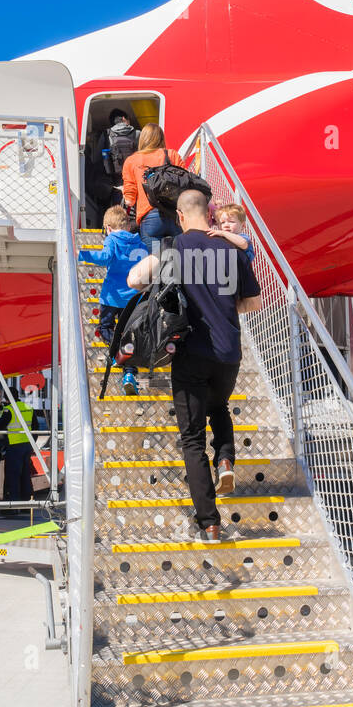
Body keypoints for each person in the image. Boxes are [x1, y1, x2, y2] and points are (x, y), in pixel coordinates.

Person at [127, 188, 262, 542]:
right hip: (229, 353)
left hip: (190, 355)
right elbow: (253, 302)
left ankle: (210, 522)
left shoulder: (175, 247)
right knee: (219, 407)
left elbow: (134, 280)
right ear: (210, 214)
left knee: (191, 439)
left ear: (183, 217)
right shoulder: (233, 250)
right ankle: (227, 459)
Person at [78, 205, 147, 395]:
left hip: (112, 297)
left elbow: (105, 257)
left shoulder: (112, 240)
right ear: (127, 225)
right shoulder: (140, 243)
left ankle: (118, 354)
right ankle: (129, 373)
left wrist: (82, 254)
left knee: (105, 328)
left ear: (108, 227)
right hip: (134, 297)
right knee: (128, 334)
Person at [121, 122, 185, 247]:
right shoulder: (172, 155)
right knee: (179, 260)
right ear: (161, 138)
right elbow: (186, 184)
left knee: (155, 262)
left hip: (149, 217)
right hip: (174, 215)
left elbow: (130, 200)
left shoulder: (131, 160)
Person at [0, 385, 41, 507]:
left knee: (13, 476)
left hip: (14, 446)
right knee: (25, 475)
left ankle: (12, 506)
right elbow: (36, 427)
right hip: (26, 446)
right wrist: (31, 443)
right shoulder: (28, 407)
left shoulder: (8, 409)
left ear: (6, 397)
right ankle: (26, 505)